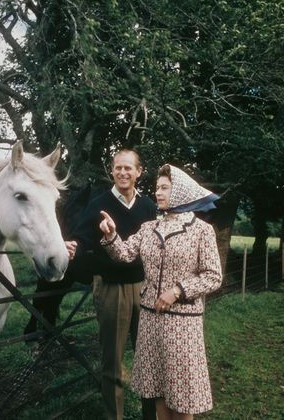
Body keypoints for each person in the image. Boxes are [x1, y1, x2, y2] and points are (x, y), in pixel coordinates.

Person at [99, 163, 222, 420]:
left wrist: (177, 290)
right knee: (158, 394)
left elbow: (213, 277)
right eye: (157, 188)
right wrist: (111, 235)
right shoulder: (148, 228)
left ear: (181, 192)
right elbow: (124, 254)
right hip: (150, 322)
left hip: (183, 325)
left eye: (165, 188)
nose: (158, 193)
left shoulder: (202, 231)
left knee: (182, 399)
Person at [66, 149, 157, 420]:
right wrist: (74, 246)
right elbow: (81, 238)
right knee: (112, 362)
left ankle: (150, 415)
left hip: (144, 288)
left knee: (148, 359)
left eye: (128, 168)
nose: (122, 173)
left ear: (139, 172)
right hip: (110, 289)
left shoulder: (149, 206)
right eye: (118, 168)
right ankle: (113, 415)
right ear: (112, 171)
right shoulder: (99, 203)